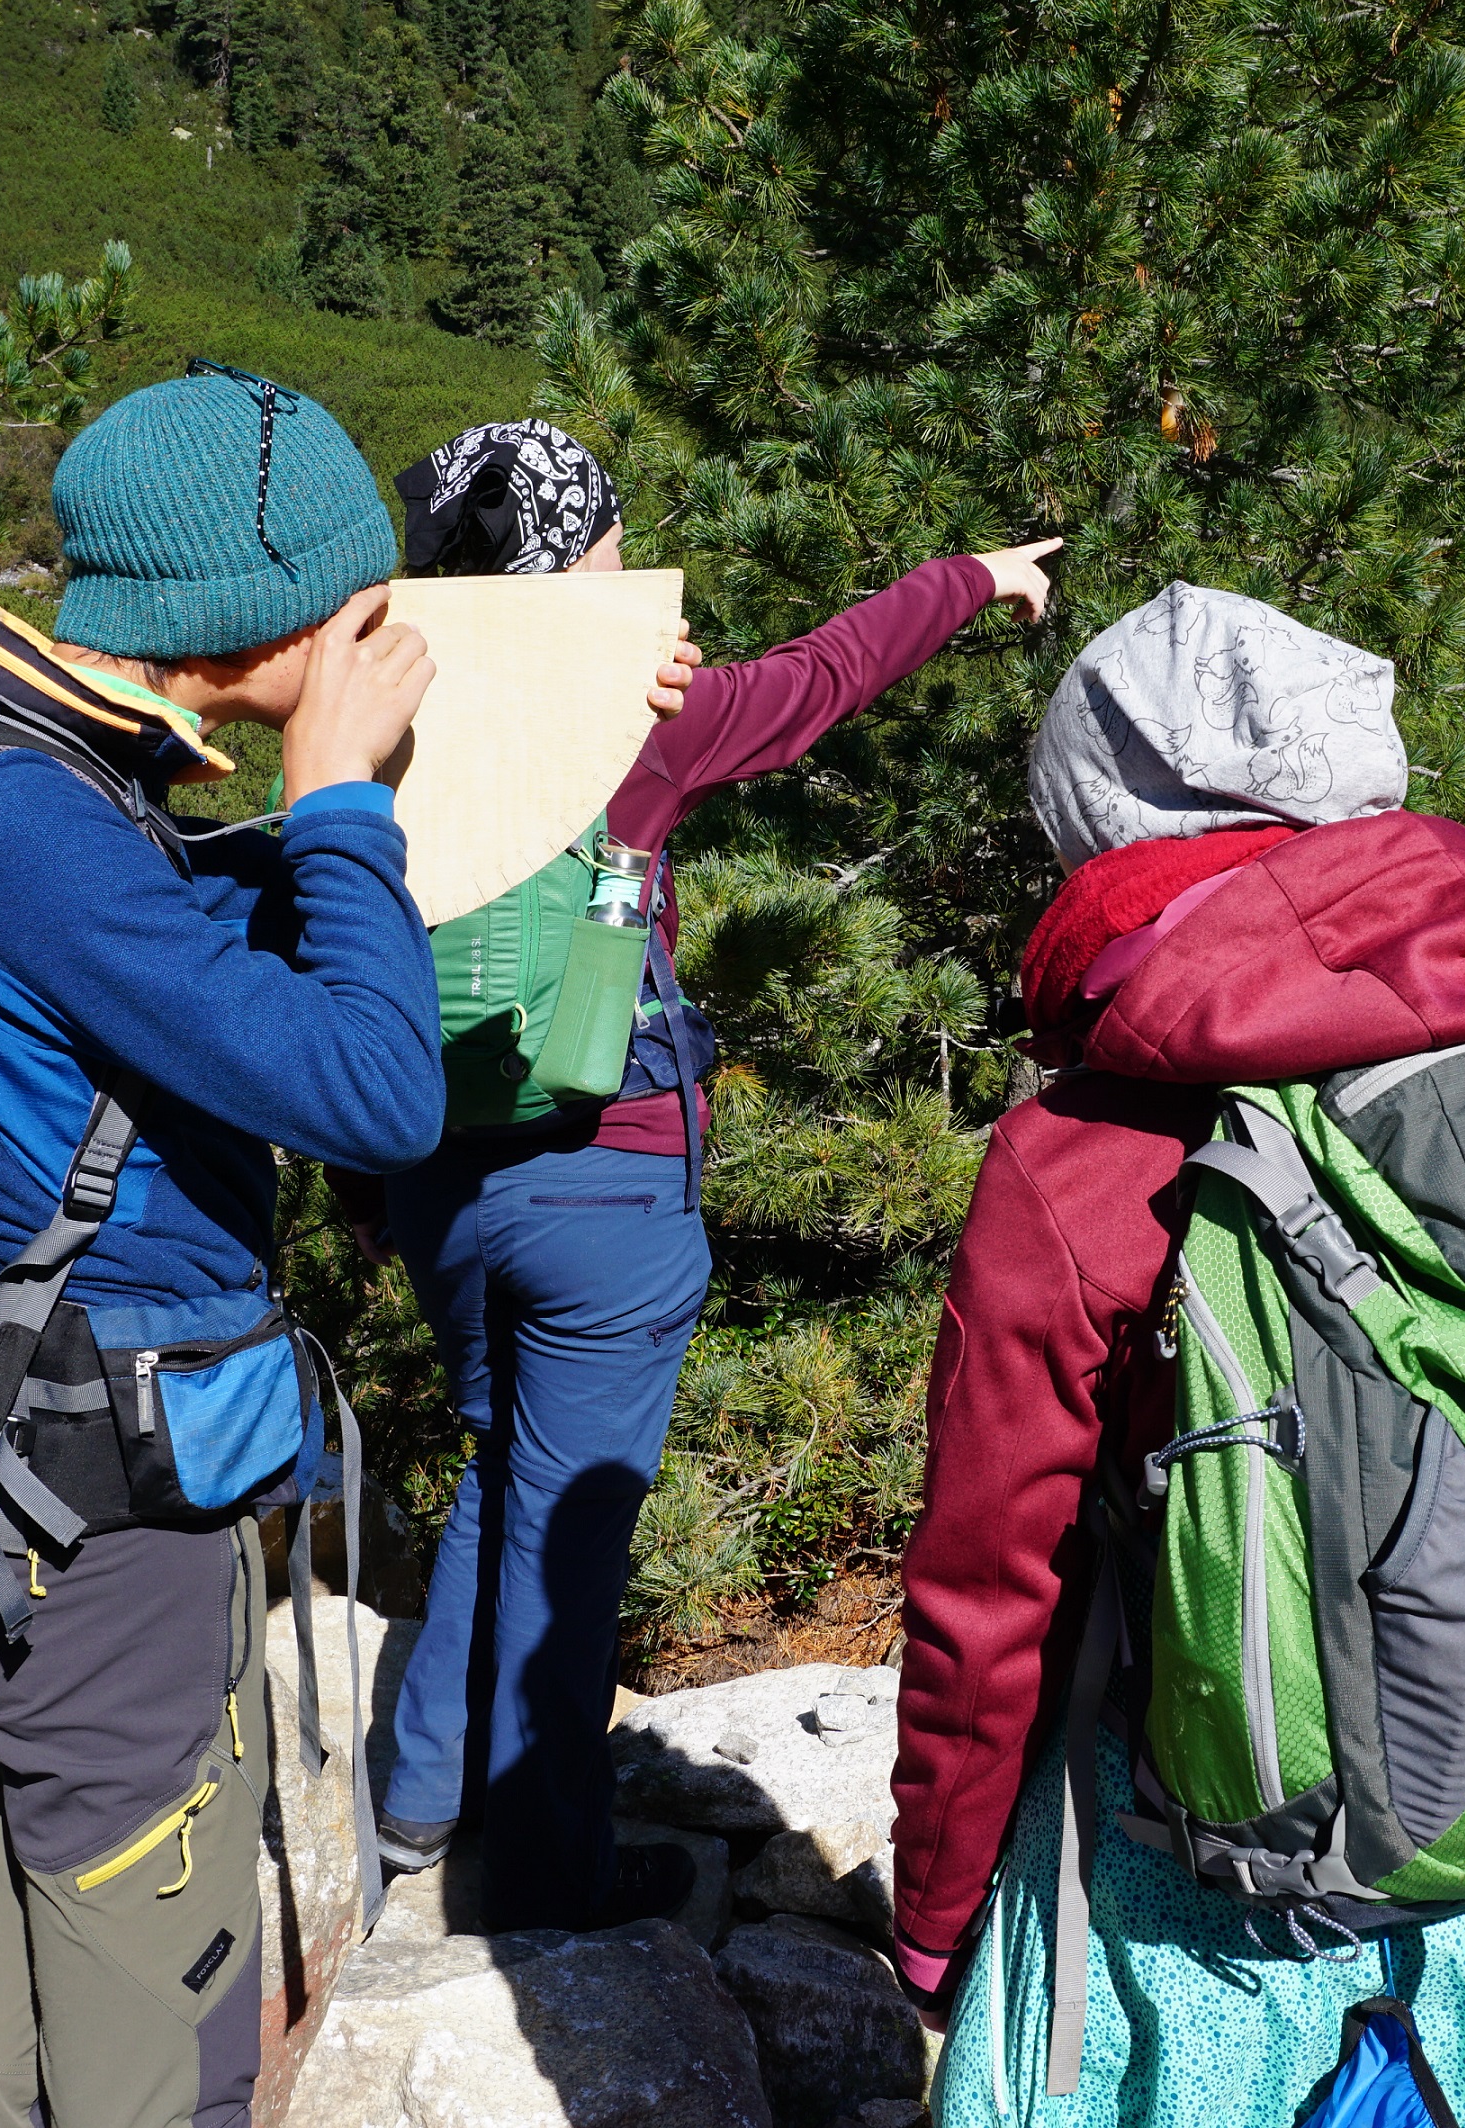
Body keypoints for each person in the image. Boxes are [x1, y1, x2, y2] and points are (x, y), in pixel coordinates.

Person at [888, 583, 1465, 2124]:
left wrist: (934, 1914)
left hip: (1195, 1909)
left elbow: (992, 1588)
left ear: (1103, 831)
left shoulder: (1090, 1144)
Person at [342, 417, 1062, 1931]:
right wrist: (972, 577)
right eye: (609, 538)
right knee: (576, 1530)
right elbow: (819, 683)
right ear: (572, 556)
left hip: (434, 1174)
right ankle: (542, 1884)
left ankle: (416, 1797)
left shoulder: (362, 705)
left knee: (501, 1462)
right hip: (603, 1181)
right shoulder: (628, 717)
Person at [0, 367, 449, 2128]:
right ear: (246, 620)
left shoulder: (2, 761)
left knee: (1, 1965)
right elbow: (376, 1091)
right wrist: (342, 798)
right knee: (161, 2011)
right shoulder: (33, 826)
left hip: (14, 1472)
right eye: (354, 606)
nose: (379, 631)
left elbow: (152, 931)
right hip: (102, 1516)